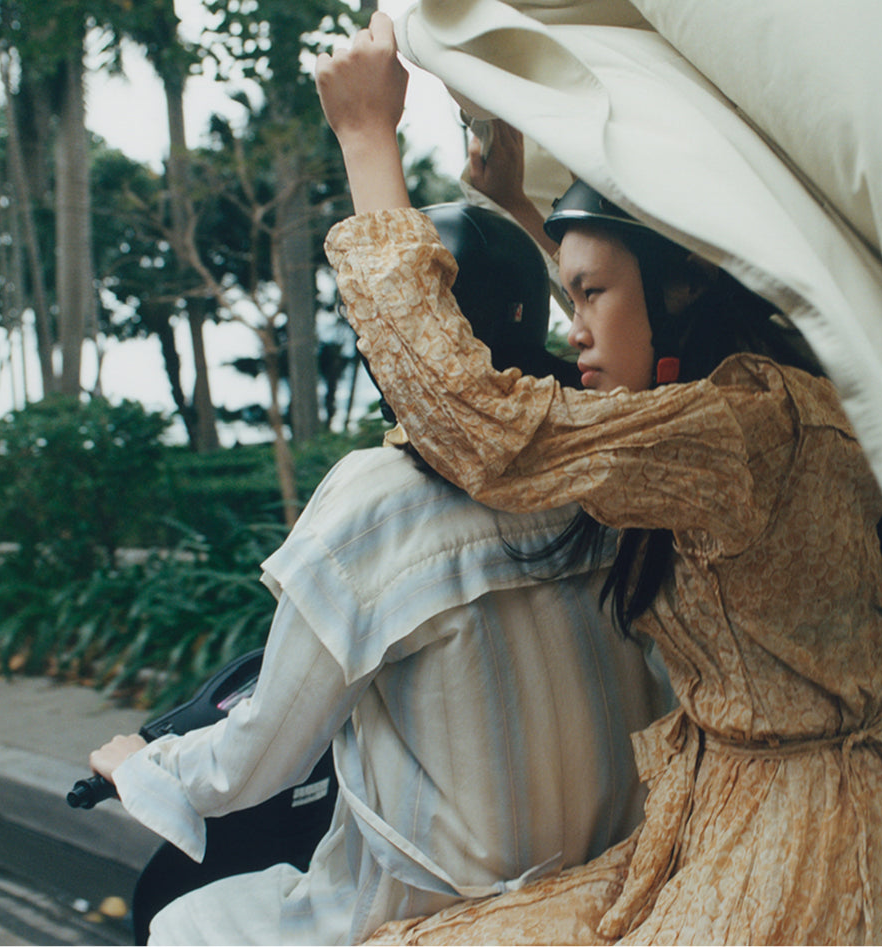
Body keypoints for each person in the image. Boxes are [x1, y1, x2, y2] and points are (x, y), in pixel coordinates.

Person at [315, 13, 882, 944]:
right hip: (710, 824)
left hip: (779, 861)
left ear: (682, 288)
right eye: (568, 293)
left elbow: (482, 428)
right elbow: (618, 328)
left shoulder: (741, 431)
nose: (572, 327)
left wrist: (367, 141)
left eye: (588, 294)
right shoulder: (750, 393)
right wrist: (517, 201)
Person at [88, 201, 672, 945]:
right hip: (611, 879)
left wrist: (146, 767)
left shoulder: (375, 501)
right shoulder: (603, 471)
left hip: (437, 910)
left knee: (184, 923)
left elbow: (261, 755)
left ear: (402, 332)